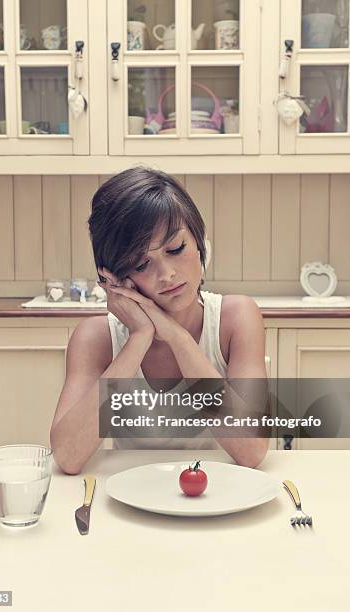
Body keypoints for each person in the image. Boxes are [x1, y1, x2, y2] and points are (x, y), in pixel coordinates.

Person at [50, 167, 269, 474]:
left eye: (176, 248)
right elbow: (67, 457)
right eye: (141, 264)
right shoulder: (96, 338)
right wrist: (140, 337)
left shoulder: (236, 318)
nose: (167, 274)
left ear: (199, 243)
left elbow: (252, 450)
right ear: (112, 278)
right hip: (127, 496)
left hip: (217, 492)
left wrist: (177, 337)